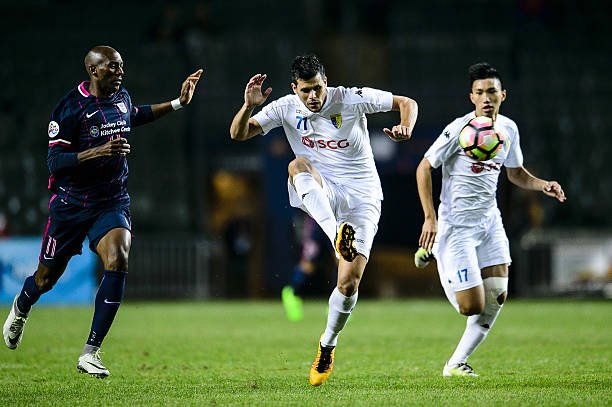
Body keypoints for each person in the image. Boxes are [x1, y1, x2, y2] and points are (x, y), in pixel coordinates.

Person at [2, 45, 203, 378]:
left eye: (121, 66)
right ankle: (22, 304)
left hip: (111, 201)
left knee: (118, 258)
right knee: (45, 279)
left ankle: (91, 352)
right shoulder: (70, 108)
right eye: (113, 67)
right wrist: (97, 151)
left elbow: (134, 115)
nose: (120, 72)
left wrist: (178, 103)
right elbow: (54, 162)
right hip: (71, 205)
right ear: (93, 71)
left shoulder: (121, 96)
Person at [230, 54, 418, 386]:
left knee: (348, 283)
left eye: (317, 88)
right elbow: (238, 134)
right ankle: (336, 237)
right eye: (305, 90)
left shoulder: (350, 98)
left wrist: (406, 126)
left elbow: (407, 102)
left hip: (362, 198)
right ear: (295, 88)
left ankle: (327, 345)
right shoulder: (285, 107)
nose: (313, 96)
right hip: (324, 190)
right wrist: (248, 107)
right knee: (297, 165)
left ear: (326, 82)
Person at [415, 62, 566, 377]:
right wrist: (430, 217)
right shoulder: (459, 129)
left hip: (489, 222)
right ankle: (438, 250)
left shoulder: (508, 129)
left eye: (492, 91)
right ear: (471, 97)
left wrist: (542, 185)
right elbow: (424, 167)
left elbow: (515, 173)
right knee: (471, 306)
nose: (486, 98)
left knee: (497, 295)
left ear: (502, 95)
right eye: (480, 92)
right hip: (456, 226)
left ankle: (455, 364)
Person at [281, 212, 334, 322]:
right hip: (320, 221)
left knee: (342, 261)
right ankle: (292, 292)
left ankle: (337, 303)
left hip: (336, 221)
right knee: (309, 264)